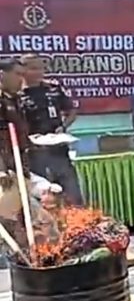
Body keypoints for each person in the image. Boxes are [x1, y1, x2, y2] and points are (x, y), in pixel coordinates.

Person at [19, 54, 82, 206]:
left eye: (41, 68)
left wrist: (64, 127)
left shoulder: (53, 88)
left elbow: (72, 110)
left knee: (71, 191)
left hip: (58, 148)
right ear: (22, 70)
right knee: (44, 195)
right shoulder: (17, 94)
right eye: (34, 68)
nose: (39, 72)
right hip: (34, 152)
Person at [0, 59, 31, 180]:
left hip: (18, 165)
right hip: (5, 171)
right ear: (2, 75)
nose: (21, 80)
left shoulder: (16, 99)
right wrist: (1, 170)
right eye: (17, 74)